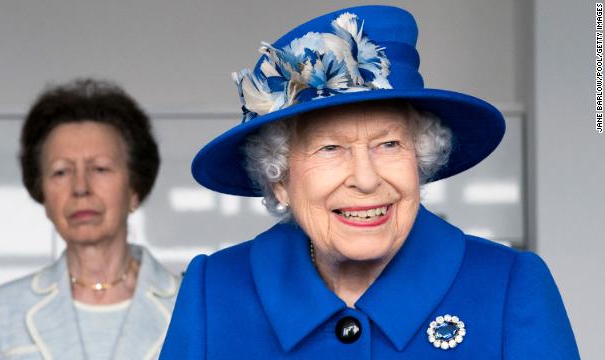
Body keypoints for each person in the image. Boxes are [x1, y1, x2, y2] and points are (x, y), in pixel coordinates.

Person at [159, 5, 580, 359]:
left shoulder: (509, 286)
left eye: (389, 144)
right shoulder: (213, 293)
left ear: (421, 159)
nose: (365, 179)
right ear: (280, 180)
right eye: (330, 149)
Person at [0, 79, 179, 360]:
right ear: (41, 191)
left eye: (100, 168)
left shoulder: (188, 305)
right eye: (61, 172)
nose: (80, 187)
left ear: (134, 188)